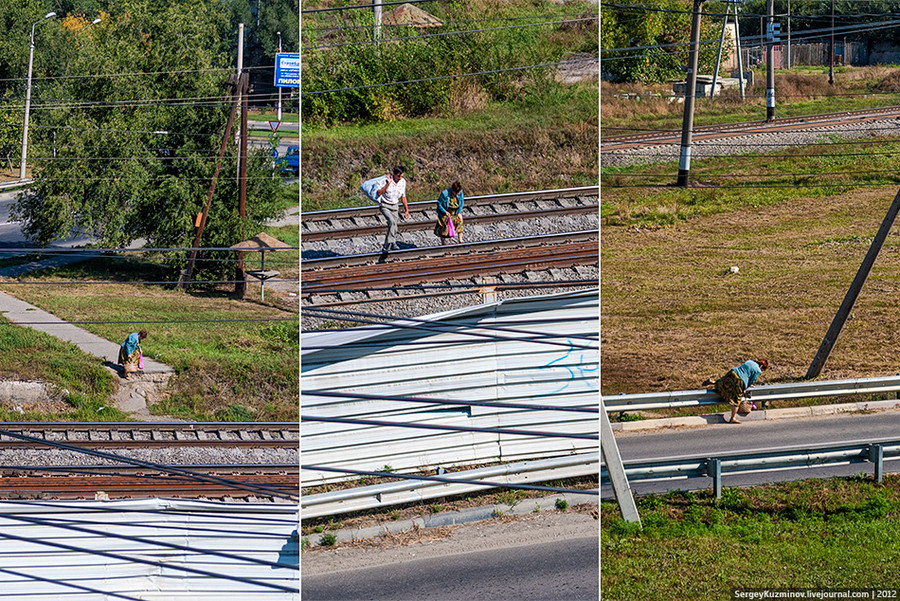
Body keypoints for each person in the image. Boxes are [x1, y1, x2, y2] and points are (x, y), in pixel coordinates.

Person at [703, 358, 769, 424]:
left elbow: (745, 371)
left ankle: (713, 382)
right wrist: (745, 388)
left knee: (724, 383)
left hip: (733, 372)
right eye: (762, 369)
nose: (761, 370)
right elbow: (752, 380)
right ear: (761, 366)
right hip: (740, 380)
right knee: (736, 399)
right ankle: (733, 418)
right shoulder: (758, 371)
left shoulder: (750, 361)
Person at [376, 166, 410, 253]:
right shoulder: (386, 181)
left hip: (395, 205)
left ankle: (387, 247)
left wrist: (406, 210)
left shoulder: (403, 182)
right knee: (391, 221)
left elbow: (403, 196)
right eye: (398, 176)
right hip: (385, 205)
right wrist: (388, 184)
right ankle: (391, 243)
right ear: (394, 174)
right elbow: (379, 193)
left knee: (394, 226)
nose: (400, 178)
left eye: (401, 176)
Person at [434, 181, 465, 245]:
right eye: (456, 192)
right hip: (445, 212)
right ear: (452, 190)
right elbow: (439, 204)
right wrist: (445, 212)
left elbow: (461, 203)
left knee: (460, 221)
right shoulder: (445, 194)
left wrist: (459, 212)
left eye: (458, 192)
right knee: (443, 226)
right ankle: (443, 242)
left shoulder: (460, 193)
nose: (457, 194)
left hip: (455, 212)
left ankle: (460, 239)